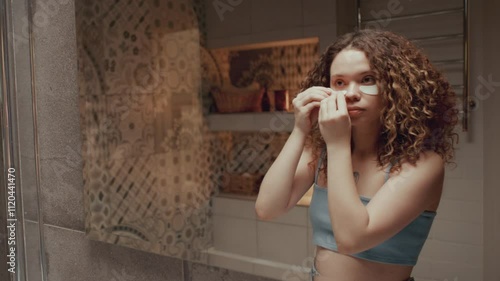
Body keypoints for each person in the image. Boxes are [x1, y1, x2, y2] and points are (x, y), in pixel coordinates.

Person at [254, 29, 459, 281]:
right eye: (339, 82)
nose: (351, 93)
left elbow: (352, 239)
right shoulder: (322, 147)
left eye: (367, 79)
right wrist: (300, 129)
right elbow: (267, 209)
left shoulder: (421, 164)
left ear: (396, 87)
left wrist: (338, 144)